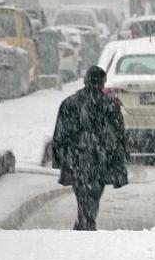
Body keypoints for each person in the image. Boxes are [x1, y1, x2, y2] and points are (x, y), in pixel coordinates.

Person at [52, 66, 129, 231]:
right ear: (103, 82)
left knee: (82, 196)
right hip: (100, 159)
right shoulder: (110, 105)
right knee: (93, 196)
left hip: (76, 159)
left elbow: (60, 135)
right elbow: (118, 136)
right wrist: (118, 159)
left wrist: (61, 159)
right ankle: (86, 226)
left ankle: (84, 225)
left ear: (85, 80)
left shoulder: (69, 103)